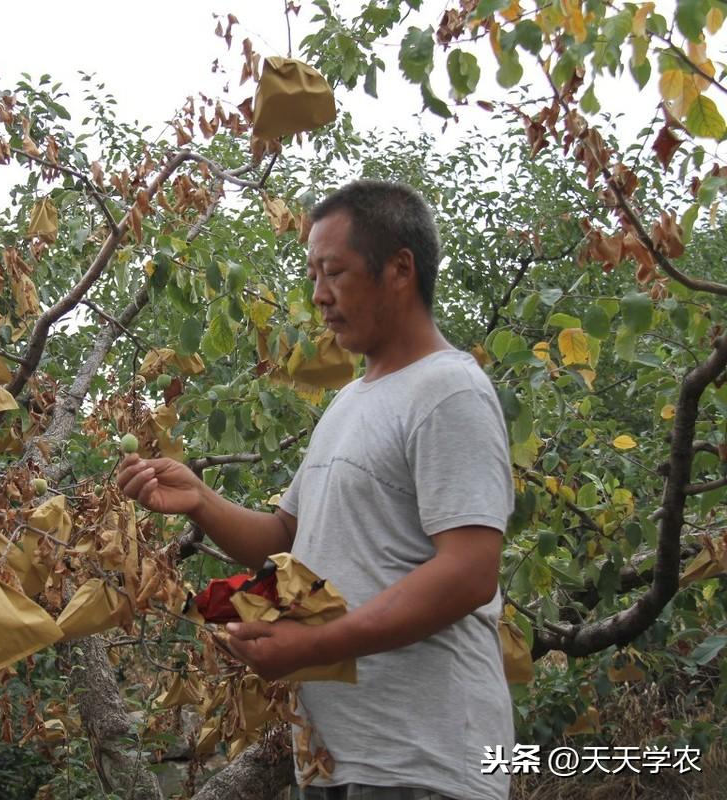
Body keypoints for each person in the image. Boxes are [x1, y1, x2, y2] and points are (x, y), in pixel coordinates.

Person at [116, 180, 514, 800]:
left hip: (424, 762)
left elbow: (469, 572)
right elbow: (287, 541)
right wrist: (201, 500)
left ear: (400, 269)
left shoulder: (448, 391)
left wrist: (314, 644)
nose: (318, 295)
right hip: (337, 760)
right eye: (313, 273)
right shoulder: (350, 402)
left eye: (334, 272)